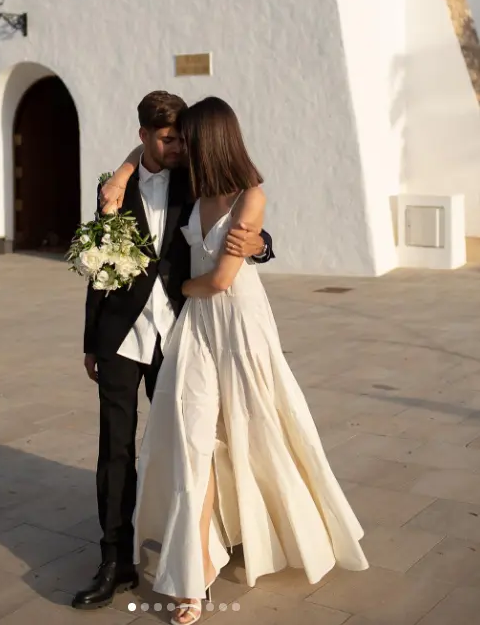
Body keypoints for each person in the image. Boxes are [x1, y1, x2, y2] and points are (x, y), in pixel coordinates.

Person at [129, 96, 369, 625]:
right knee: (191, 439)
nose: (179, 146)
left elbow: (219, 280)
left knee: (260, 431)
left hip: (239, 326)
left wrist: (176, 287)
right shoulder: (191, 186)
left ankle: (283, 527)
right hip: (198, 328)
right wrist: (123, 171)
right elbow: (144, 149)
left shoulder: (250, 196)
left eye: (187, 137)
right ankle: (192, 574)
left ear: (209, 139)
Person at [72, 91, 275, 611]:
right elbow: (98, 263)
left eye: (181, 139)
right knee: (115, 449)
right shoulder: (113, 189)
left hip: (184, 335)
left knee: (186, 446)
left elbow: (244, 225)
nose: (178, 147)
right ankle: (114, 561)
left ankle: (193, 555)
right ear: (142, 136)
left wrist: (261, 245)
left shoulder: (196, 177)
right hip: (121, 336)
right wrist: (92, 340)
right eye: (166, 140)